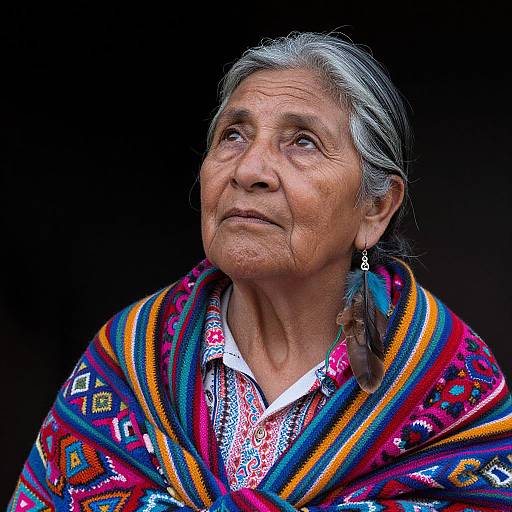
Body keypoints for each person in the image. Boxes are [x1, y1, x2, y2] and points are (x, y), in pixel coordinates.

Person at [9, 32, 512, 512]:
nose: (249, 169)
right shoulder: (125, 363)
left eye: (303, 142)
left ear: (375, 208)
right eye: (233, 135)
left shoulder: (449, 384)